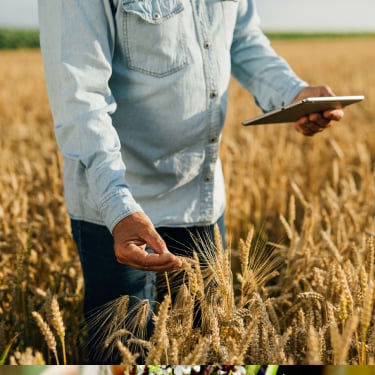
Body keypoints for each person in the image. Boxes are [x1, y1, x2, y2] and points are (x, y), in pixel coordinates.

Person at [38, 0, 344, 363]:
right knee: (123, 359)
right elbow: (80, 98)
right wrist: (117, 207)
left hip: (202, 201)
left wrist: (293, 93)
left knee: (208, 354)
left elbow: (242, 38)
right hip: (118, 214)